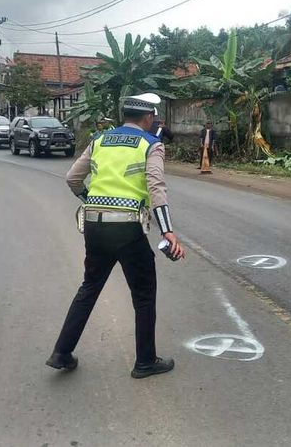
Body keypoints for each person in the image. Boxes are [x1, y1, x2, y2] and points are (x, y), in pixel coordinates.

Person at [47, 92, 186, 378]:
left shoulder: (99, 140)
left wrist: (90, 201)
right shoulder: (151, 144)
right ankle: (145, 361)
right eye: (153, 117)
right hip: (126, 229)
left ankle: (61, 352)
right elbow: (156, 188)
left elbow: (72, 178)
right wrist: (168, 231)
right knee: (144, 293)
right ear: (148, 118)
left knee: (89, 287)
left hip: (94, 225)